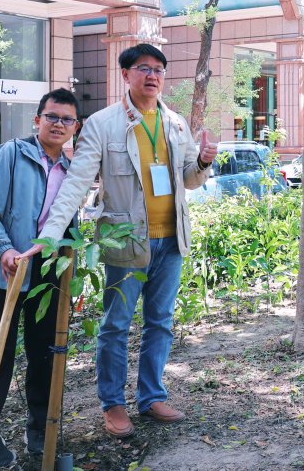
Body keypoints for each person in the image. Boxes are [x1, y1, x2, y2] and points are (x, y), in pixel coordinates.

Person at [35, 44, 217, 438]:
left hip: (171, 240)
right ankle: (113, 405)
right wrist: (49, 237)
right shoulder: (102, 124)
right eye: (143, 68)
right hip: (125, 241)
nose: (152, 76)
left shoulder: (176, 123)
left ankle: (151, 396)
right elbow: (76, 184)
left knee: (161, 323)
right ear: (125, 74)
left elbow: (188, 178)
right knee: (116, 325)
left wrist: (203, 161)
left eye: (158, 70)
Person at [0, 89, 81, 465]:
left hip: (48, 279)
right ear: (37, 119)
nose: (58, 124)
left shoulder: (71, 171)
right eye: (52, 116)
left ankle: (40, 433)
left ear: (74, 127)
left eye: (66, 119)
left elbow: (68, 228)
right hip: (6, 273)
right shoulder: (12, 154)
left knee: (45, 356)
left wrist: (70, 274)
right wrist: (4, 249)